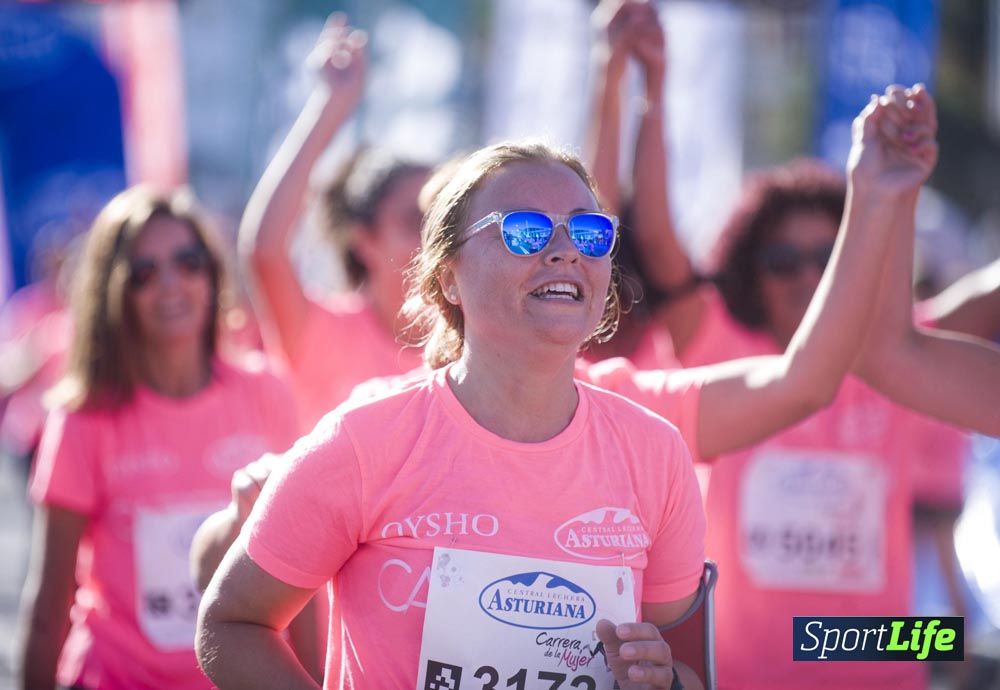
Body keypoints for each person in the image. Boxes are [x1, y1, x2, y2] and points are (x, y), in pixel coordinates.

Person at [197, 141, 708, 689]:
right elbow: (232, 622)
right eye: (525, 230)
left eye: (588, 233)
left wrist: (665, 682)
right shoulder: (365, 440)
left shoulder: (657, 452)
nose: (565, 251)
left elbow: (689, 669)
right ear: (448, 276)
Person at [15, 186, 299, 690]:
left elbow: (306, 574)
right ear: (114, 291)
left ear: (212, 273)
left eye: (188, 262)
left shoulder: (268, 391)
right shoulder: (83, 418)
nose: (171, 284)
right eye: (144, 273)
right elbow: (48, 602)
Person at [240, 13, 429, 432]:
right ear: (364, 241)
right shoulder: (324, 334)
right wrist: (332, 104)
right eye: (414, 219)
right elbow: (265, 250)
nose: (433, 235)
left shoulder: (474, 342)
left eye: (443, 217)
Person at [581, 0, 679, 368]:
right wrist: (613, 68)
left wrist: (649, 75)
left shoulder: (678, 326)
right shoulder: (553, 336)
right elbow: (595, 212)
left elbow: (654, 234)